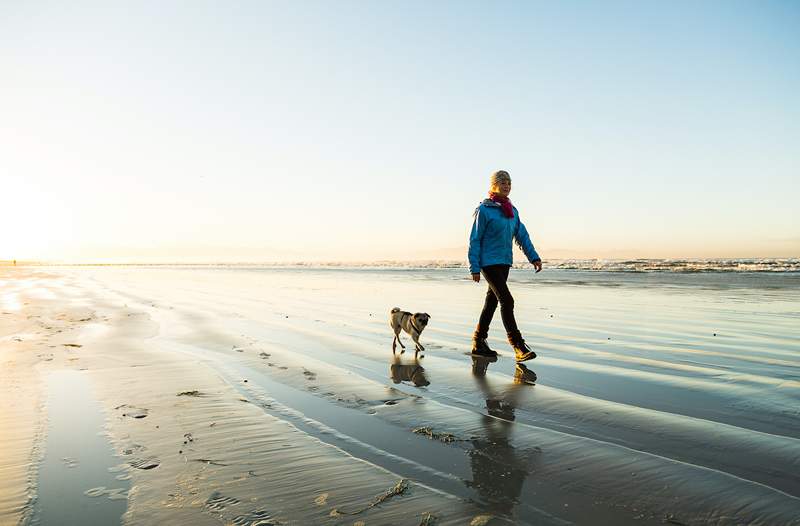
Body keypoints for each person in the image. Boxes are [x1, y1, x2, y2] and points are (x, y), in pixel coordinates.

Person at [468, 170, 542, 361]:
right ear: (493, 185)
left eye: (509, 183)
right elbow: (475, 239)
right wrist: (474, 267)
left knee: (491, 302)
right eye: (502, 183)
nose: (507, 186)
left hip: (504, 262)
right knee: (507, 300)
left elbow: (522, 236)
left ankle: (479, 341)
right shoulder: (484, 210)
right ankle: (518, 346)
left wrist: (533, 257)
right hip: (488, 262)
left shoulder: (512, 211)